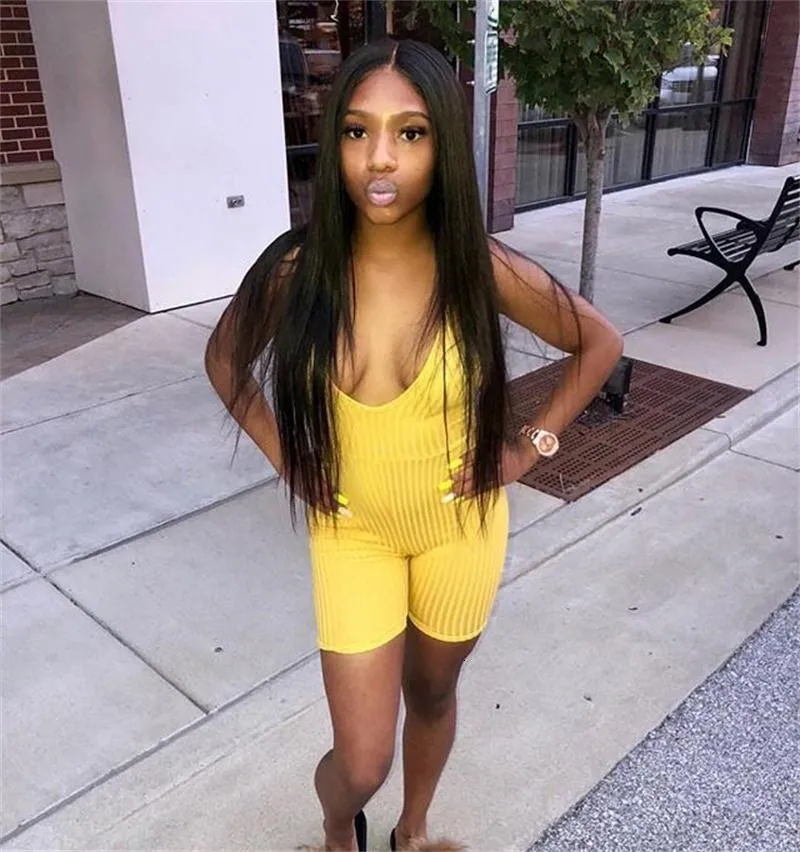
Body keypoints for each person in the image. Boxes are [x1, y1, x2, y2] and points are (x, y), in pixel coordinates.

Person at [205, 38, 622, 852]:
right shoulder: (298, 269)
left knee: (432, 693)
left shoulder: (475, 266)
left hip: (457, 529)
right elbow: (225, 363)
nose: (381, 159)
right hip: (352, 531)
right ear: (336, 143)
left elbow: (598, 343)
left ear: (443, 147)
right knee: (362, 759)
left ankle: (414, 833)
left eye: (411, 132)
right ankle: (340, 827)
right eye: (358, 131)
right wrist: (288, 456)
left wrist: (527, 449)